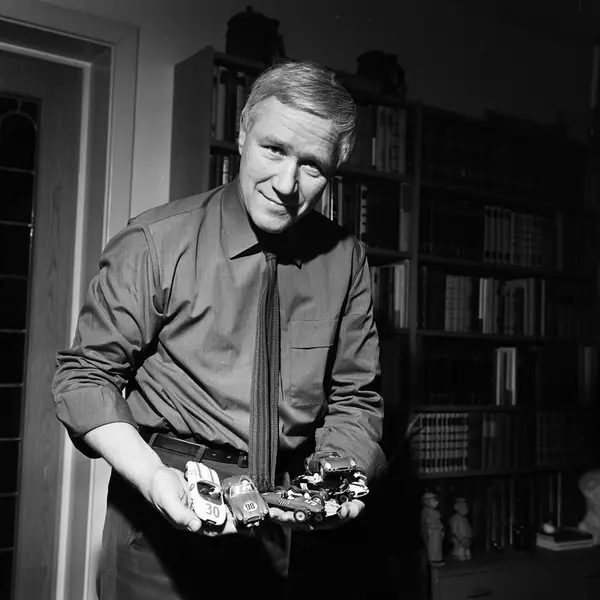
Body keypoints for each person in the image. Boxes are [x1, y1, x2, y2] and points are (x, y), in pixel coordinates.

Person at [52, 58, 386, 600]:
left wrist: (337, 477)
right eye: (274, 149)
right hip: (161, 510)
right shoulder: (155, 242)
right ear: (242, 133)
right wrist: (152, 477)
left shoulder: (347, 261)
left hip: (276, 517)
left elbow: (356, 398)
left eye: (312, 166)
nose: (286, 184)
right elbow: (84, 378)